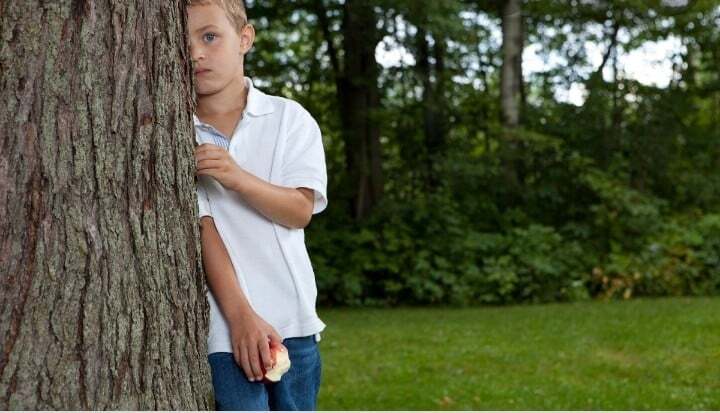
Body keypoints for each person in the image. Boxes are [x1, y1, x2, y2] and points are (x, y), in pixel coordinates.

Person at [187, 0, 327, 410]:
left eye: (210, 37)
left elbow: (299, 210)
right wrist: (241, 317)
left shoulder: (288, 119)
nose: (195, 52)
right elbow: (203, 228)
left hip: (294, 320)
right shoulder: (176, 131)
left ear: (244, 38)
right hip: (224, 330)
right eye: (184, 41)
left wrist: (236, 177)